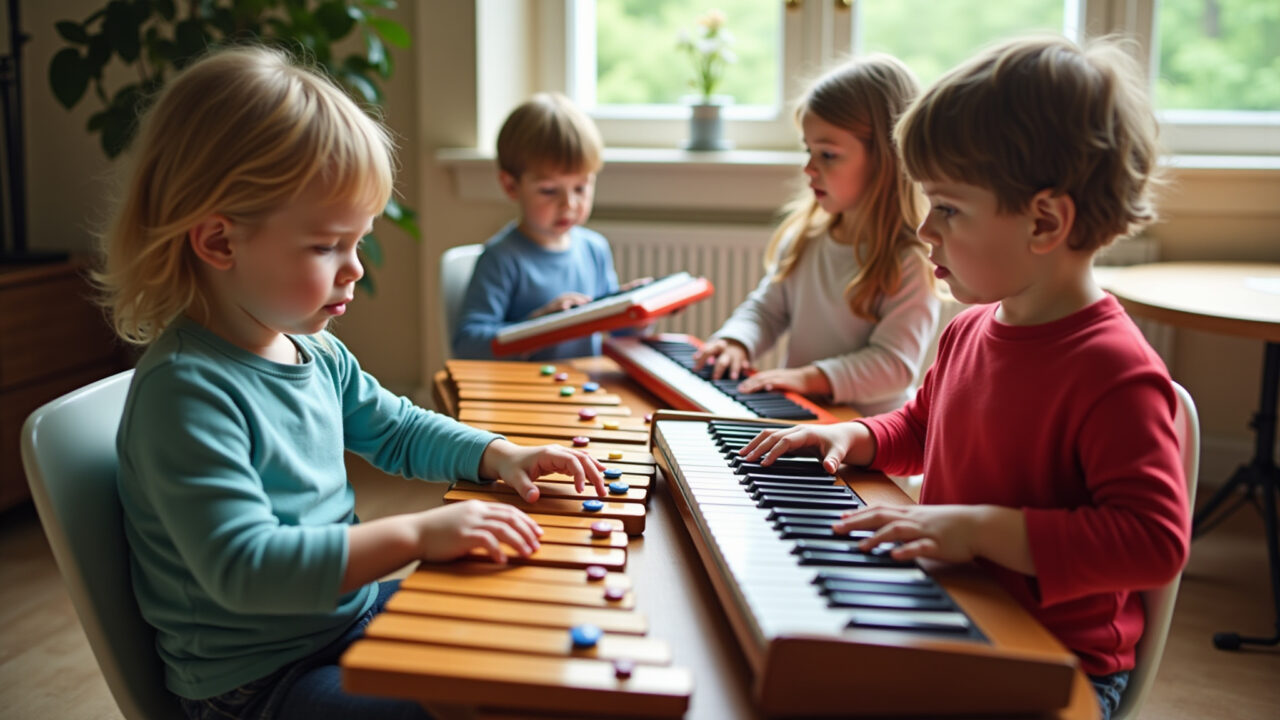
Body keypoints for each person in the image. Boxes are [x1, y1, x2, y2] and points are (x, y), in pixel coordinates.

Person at [97, 46, 605, 720]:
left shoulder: (315, 352)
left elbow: (395, 426)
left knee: (522, 636)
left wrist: (499, 453)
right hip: (258, 685)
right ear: (219, 243)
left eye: (359, 242)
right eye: (326, 246)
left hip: (343, 622)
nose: (354, 270)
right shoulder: (188, 393)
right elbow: (245, 568)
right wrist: (417, 536)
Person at [739, 37, 1191, 720]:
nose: (923, 230)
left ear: (1045, 220)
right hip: (956, 606)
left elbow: (1152, 543)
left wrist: (979, 529)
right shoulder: (970, 330)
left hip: (1053, 661)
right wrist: (855, 436)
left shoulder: (1114, 372)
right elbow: (922, 427)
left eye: (947, 209)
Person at [692, 55, 940, 416]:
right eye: (808, 150)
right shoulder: (807, 236)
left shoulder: (910, 260)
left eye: (827, 154)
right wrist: (736, 342)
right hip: (807, 421)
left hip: (871, 445)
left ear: (886, 158)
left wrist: (808, 378)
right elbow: (767, 310)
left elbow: (894, 366)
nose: (809, 168)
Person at [452, 92, 648, 361]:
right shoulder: (501, 258)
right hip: (526, 396)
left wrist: (635, 313)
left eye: (580, 187)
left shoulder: (594, 249)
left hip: (584, 392)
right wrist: (538, 327)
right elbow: (467, 344)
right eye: (548, 190)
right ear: (511, 186)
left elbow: (614, 334)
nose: (569, 204)